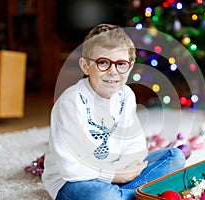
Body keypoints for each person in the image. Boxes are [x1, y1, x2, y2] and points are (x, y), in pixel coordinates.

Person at [42, 23, 185, 200]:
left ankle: (127, 195)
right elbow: (70, 167)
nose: (113, 72)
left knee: (175, 157)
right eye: (103, 63)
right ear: (85, 66)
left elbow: (136, 144)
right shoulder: (70, 102)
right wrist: (114, 176)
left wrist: (129, 167)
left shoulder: (126, 95)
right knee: (104, 195)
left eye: (121, 64)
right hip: (73, 181)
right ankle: (140, 194)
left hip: (118, 173)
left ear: (130, 66)